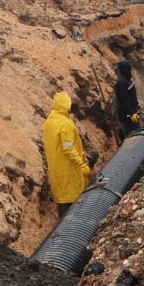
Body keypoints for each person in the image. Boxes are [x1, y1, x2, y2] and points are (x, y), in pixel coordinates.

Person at [43, 91, 91, 219]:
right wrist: (81, 163)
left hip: (56, 166)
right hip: (68, 167)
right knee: (71, 199)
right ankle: (72, 226)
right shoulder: (65, 124)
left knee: (62, 198)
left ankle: (61, 228)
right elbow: (69, 149)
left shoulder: (50, 120)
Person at [114, 59, 140, 137]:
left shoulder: (128, 79)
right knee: (131, 137)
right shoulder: (121, 83)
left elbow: (131, 94)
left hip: (133, 113)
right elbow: (123, 100)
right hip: (127, 116)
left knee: (138, 134)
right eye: (129, 68)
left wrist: (137, 103)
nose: (131, 70)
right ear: (125, 69)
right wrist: (131, 113)